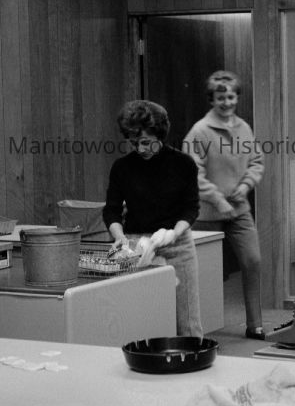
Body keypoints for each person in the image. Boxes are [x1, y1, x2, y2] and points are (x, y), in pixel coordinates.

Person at [103, 99, 204, 338]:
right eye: (134, 142)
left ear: (160, 135)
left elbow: (190, 209)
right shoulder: (122, 168)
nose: (140, 149)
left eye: (146, 142)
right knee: (139, 321)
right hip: (136, 247)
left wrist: (173, 233)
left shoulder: (183, 164)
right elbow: (112, 210)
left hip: (177, 246)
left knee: (187, 323)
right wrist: (119, 238)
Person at [183, 70, 266, 340]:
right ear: (212, 100)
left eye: (230, 97)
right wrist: (218, 200)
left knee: (253, 261)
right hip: (207, 214)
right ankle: (201, 331)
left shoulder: (244, 128)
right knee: (205, 272)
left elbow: (256, 162)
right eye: (220, 98)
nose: (226, 102)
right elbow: (193, 174)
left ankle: (255, 325)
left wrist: (246, 185)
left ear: (236, 98)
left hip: (239, 210)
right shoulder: (199, 132)